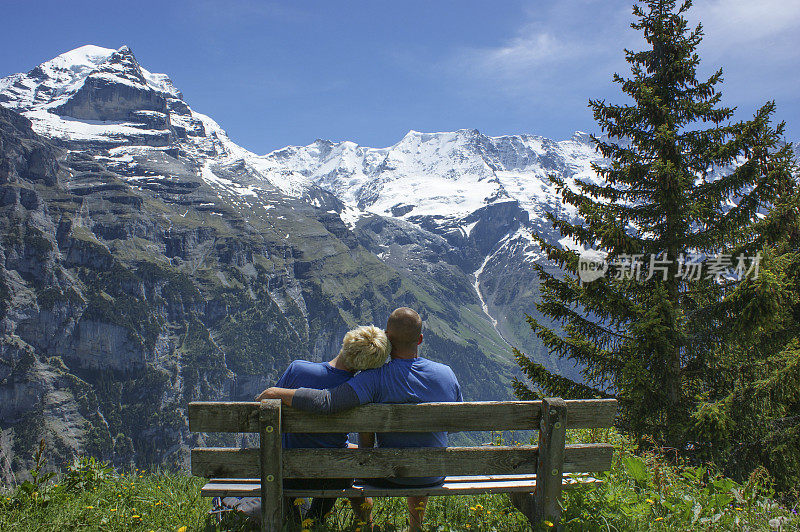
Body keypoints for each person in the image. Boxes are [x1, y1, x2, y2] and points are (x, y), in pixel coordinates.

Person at [258, 307, 463, 532]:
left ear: (387, 338)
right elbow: (454, 426)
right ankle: (415, 527)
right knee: (422, 447)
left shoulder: (375, 377)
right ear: (420, 339)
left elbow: (328, 402)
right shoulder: (447, 374)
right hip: (433, 475)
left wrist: (278, 393)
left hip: (389, 475)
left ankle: (365, 526)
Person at [249, 325, 390, 526]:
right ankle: (319, 520)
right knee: (341, 458)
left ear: (347, 340)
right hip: (333, 476)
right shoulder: (358, 391)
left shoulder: (298, 369)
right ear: (368, 366)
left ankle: (299, 522)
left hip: (285, 473)